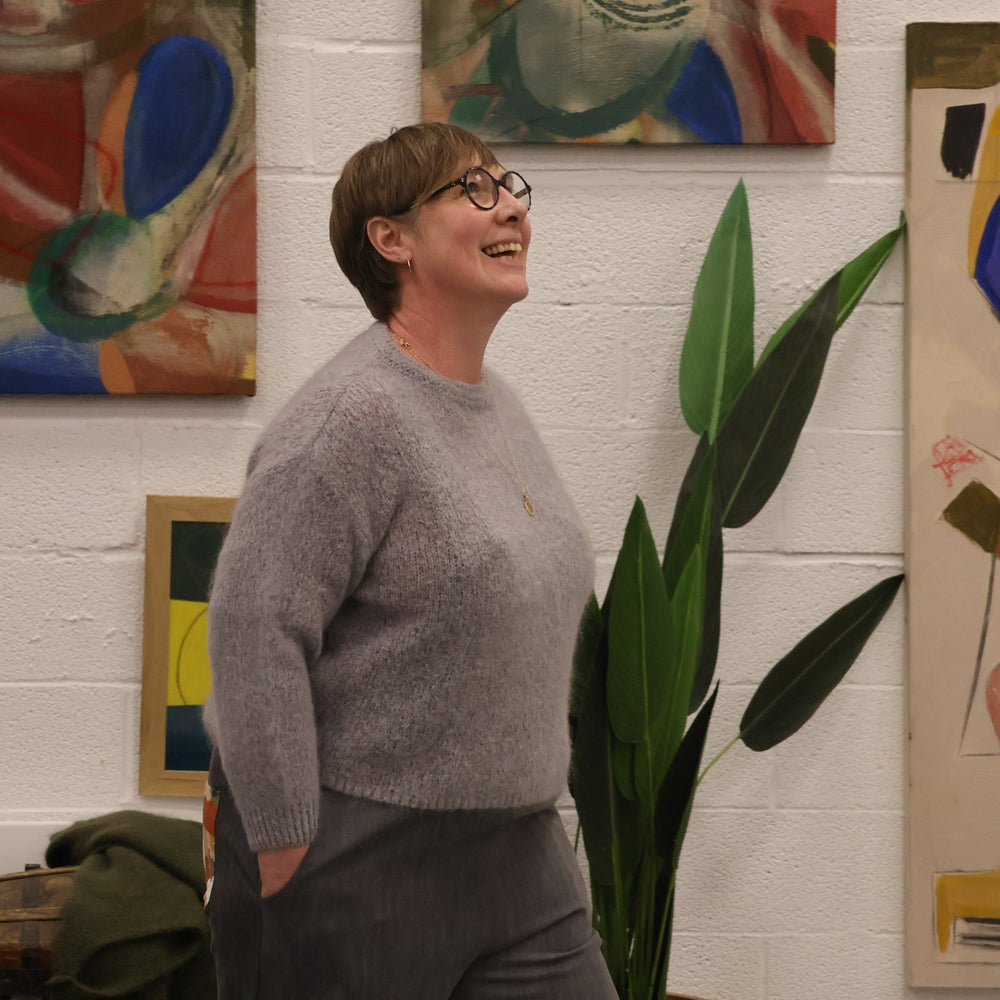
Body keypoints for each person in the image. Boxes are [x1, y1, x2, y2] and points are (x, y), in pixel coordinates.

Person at [201, 121, 617, 999]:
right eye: (473, 188)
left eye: (509, 184)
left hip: (518, 848)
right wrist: (284, 840)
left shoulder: (497, 407)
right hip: (360, 854)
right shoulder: (348, 419)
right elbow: (252, 623)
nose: (510, 206)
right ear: (391, 239)